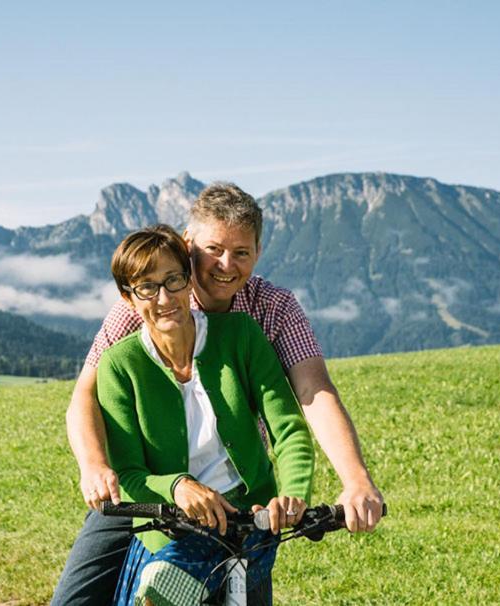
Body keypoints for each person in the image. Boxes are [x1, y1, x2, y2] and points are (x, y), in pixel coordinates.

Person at [52, 183, 383, 605]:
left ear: (258, 252)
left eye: (241, 252)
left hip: (242, 500)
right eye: (214, 250)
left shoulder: (270, 310)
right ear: (188, 246)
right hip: (154, 492)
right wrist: (95, 466)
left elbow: (313, 390)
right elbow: (87, 393)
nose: (227, 265)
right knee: (75, 599)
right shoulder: (149, 298)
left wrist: (355, 480)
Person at [93, 224, 313, 604]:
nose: (164, 298)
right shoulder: (118, 365)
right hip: (171, 532)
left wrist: (292, 494)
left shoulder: (241, 335)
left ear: (189, 280)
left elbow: (289, 429)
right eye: (147, 287)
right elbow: (128, 473)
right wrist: (178, 486)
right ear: (128, 298)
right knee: (160, 586)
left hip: (250, 521)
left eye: (173, 280)